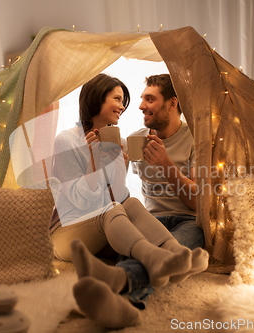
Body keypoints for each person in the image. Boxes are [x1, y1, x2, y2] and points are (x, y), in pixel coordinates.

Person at [50, 73, 205, 328]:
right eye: (119, 99)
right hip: (70, 225)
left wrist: (121, 167)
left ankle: (126, 289)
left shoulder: (125, 142)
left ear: (172, 103)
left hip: (173, 219)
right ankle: (163, 256)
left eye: (148, 99)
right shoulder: (67, 141)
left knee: (129, 205)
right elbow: (81, 202)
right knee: (120, 210)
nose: (129, 106)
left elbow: (119, 197)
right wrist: (94, 162)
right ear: (97, 98)